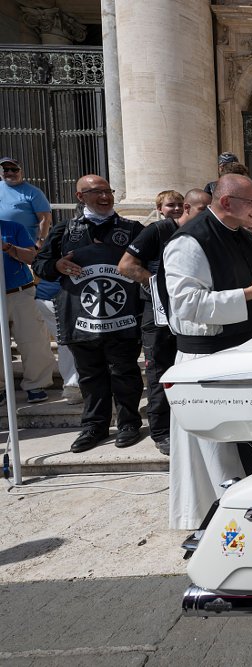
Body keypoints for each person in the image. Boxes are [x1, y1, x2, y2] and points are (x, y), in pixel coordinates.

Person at [161, 173, 252, 530]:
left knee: (243, 445)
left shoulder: (244, 238)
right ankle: (219, 522)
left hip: (241, 352)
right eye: (251, 202)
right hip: (207, 360)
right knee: (215, 450)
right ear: (226, 202)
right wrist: (249, 294)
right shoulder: (189, 242)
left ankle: (250, 512)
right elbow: (185, 304)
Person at [32, 175, 145, 453]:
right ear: (80, 196)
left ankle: (129, 423)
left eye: (108, 191)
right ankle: (94, 426)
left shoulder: (133, 229)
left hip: (123, 318)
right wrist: (57, 265)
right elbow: (41, 265)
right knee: (90, 376)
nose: (105, 197)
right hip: (82, 318)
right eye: (97, 192)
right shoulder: (64, 230)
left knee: (125, 372)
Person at [118, 188, 211, 455]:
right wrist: (159, 285)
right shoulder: (157, 231)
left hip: (188, 314)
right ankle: (160, 431)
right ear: (188, 210)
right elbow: (125, 265)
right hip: (156, 315)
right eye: (203, 210)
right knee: (160, 372)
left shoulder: (201, 234)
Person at [1, 218, 56, 404]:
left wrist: (8, 247)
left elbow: (33, 257)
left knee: (33, 341)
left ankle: (36, 385)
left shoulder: (14, 227)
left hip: (20, 292)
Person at [0, 157, 52, 246]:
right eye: (5, 169)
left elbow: (45, 219)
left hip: (24, 245)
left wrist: (40, 241)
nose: (10, 172)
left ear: (21, 172)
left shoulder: (34, 192)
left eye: (14, 169)